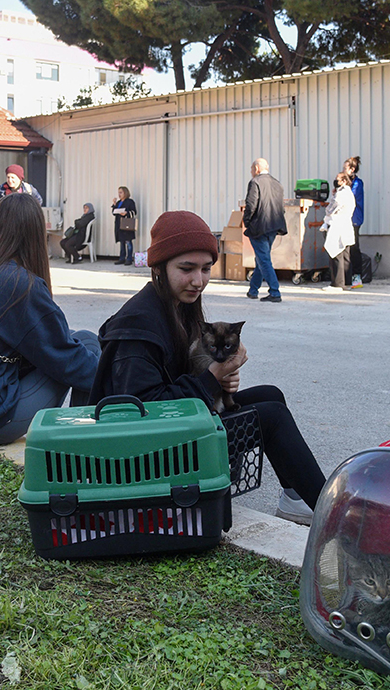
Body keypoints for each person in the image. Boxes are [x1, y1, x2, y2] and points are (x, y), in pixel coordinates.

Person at [90, 210, 327, 523]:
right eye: (186, 269)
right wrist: (213, 377)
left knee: (271, 395)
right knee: (271, 417)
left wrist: (220, 380)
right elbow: (144, 413)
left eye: (205, 269)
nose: (198, 281)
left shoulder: (177, 306)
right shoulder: (139, 323)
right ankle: (336, 518)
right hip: (142, 457)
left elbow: (181, 380)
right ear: (159, 266)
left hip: (174, 432)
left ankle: (297, 499)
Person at [0, 193, 99, 446]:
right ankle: (83, 443)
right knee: (87, 344)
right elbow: (67, 360)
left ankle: (83, 436)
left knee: (79, 343)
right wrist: (119, 375)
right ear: (35, 233)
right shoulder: (18, 284)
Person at [243, 157, 286, 303]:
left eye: (251, 169)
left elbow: (251, 204)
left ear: (256, 169)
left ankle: (275, 292)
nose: (251, 172)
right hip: (273, 226)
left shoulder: (255, 182)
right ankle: (253, 290)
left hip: (259, 227)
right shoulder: (277, 183)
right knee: (262, 258)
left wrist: (246, 221)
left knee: (264, 260)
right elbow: (281, 206)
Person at [321, 173, 356, 290]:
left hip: (337, 225)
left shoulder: (341, 194)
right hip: (346, 224)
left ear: (344, 181)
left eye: (338, 180)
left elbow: (331, 209)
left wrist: (330, 203)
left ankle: (337, 283)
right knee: (346, 255)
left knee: (336, 253)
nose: (335, 181)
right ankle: (347, 282)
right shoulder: (349, 193)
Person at [344, 156, 365, 288]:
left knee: (354, 247)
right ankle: (346, 275)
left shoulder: (357, 183)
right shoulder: (345, 182)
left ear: (352, 169)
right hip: (344, 218)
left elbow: (350, 197)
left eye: (345, 168)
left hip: (354, 219)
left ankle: (357, 275)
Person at [111, 186, 137, 265]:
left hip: (126, 224)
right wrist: (114, 205)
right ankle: (122, 258)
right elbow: (114, 213)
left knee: (128, 241)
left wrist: (126, 213)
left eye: (121, 192)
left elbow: (134, 212)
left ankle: (129, 259)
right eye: (118, 192)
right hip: (119, 224)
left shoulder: (130, 201)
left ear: (125, 193)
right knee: (122, 242)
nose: (119, 194)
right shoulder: (118, 202)